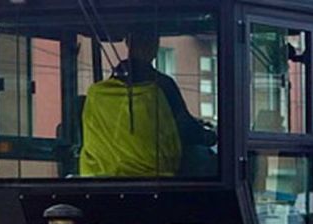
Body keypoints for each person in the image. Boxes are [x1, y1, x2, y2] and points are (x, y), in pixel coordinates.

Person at [80, 28, 214, 177]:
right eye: (151, 41)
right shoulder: (160, 86)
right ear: (154, 46)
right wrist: (206, 135)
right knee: (202, 156)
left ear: (128, 43)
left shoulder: (99, 92)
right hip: (153, 174)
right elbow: (183, 129)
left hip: (103, 174)